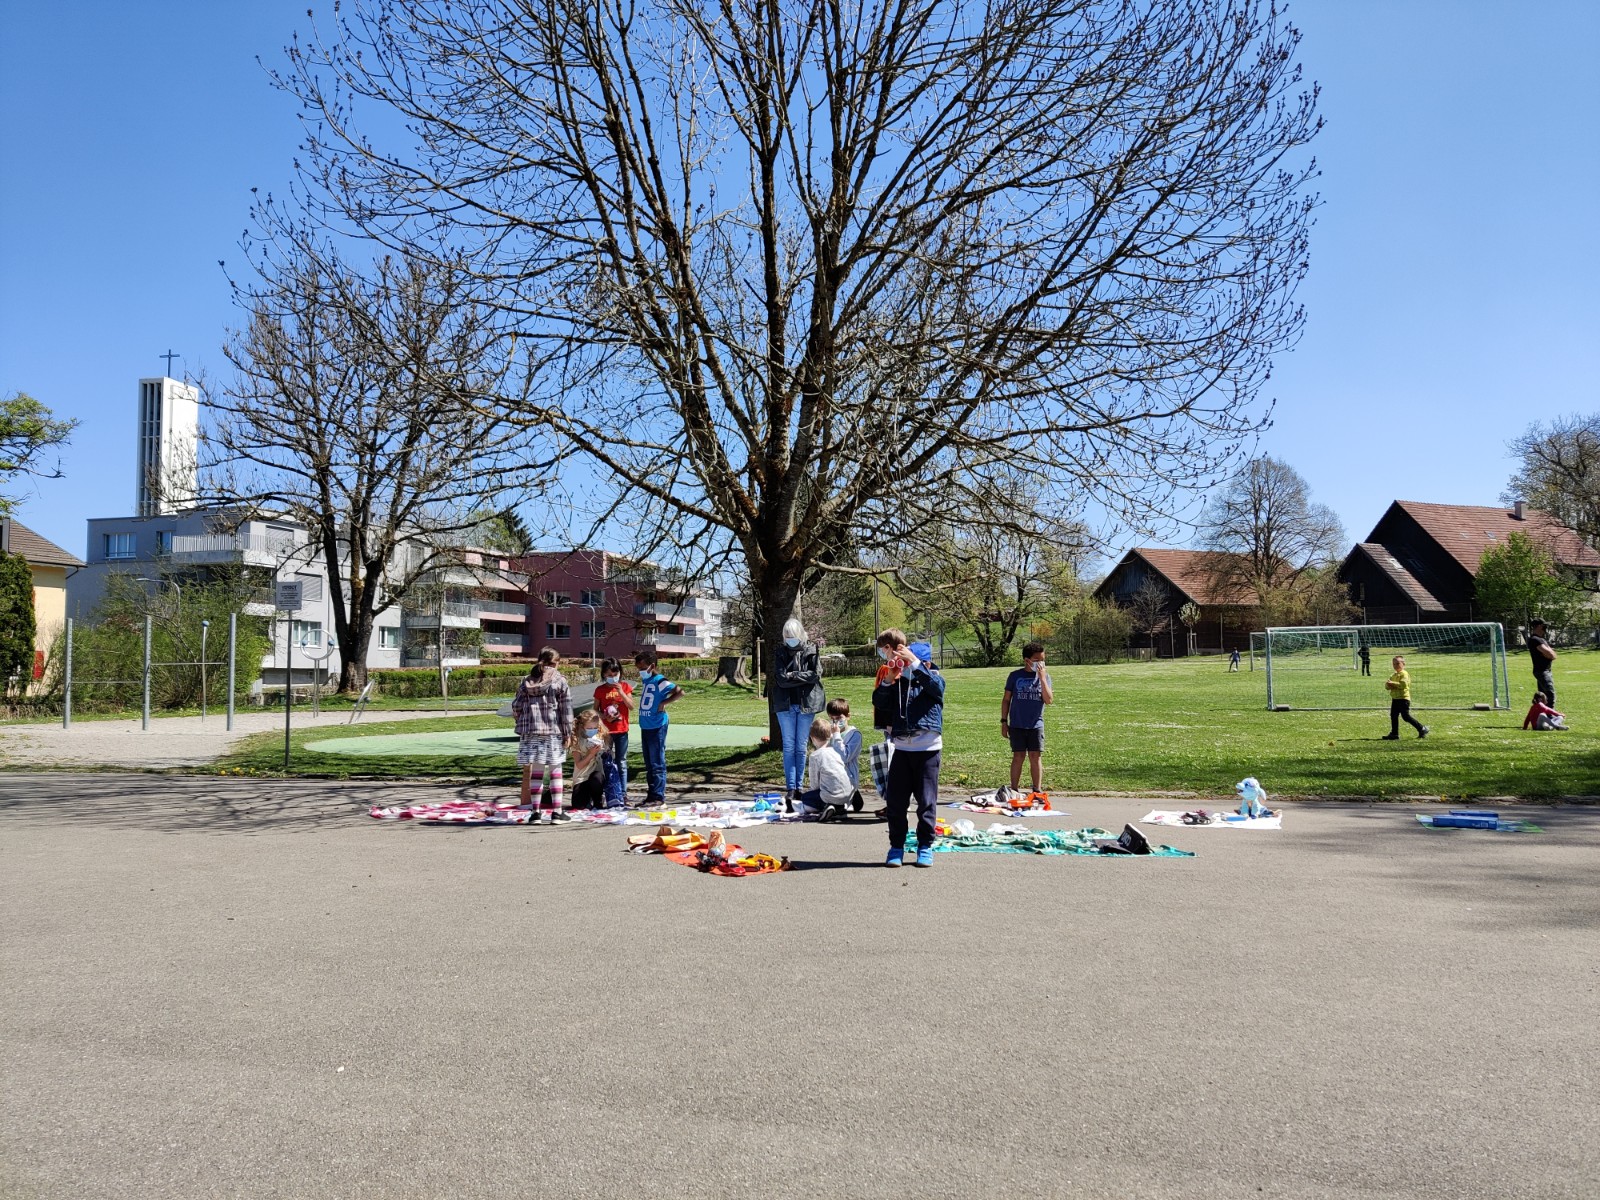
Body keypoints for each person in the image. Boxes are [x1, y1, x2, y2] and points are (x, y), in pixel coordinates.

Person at [872, 628, 945, 868]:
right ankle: (896, 847)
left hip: (928, 750)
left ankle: (925, 846)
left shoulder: (934, 680)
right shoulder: (898, 683)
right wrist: (889, 679)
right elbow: (880, 702)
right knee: (896, 803)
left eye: (909, 662)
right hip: (902, 750)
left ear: (925, 663)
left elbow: (936, 689)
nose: (906, 666)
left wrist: (915, 664)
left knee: (926, 802)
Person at [512, 648, 574, 822]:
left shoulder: (527, 680)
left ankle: (535, 813)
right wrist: (568, 733)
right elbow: (566, 710)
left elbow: (516, 706)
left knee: (537, 771)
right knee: (556, 770)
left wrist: (522, 721)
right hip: (553, 731)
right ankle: (557, 812)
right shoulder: (560, 680)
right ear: (556, 663)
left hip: (531, 732)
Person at [772, 618, 825, 810]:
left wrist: (793, 675)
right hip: (785, 704)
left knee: (801, 747)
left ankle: (799, 787)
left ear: (800, 634)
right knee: (789, 746)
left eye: (792, 635)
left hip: (805, 704)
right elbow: (780, 679)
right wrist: (800, 677)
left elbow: (814, 675)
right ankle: (791, 787)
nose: (789, 639)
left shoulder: (811, 649)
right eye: (787, 636)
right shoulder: (780, 652)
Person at [1000, 642, 1053, 796]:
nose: (1040, 664)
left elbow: (1049, 700)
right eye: (1037, 660)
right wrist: (1004, 722)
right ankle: (1014, 789)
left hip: (1036, 724)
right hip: (1017, 724)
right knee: (1018, 756)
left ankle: (1037, 789)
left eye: (1043, 660)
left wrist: (1042, 679)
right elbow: (1006, 700)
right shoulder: (1015, 676)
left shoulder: (1045, 677)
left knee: (1035, 756)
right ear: (1027, 660)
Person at [634, 649, 682, 807]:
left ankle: (658, 797)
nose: (640, 671)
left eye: (643, 668)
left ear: (652, 666)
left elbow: (680, 692)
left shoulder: (660, 680)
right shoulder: (646, 681)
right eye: (638, 669)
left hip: (657, 725)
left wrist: (663, 703)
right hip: (646, 725)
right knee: (649, 763)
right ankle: (651, 795)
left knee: (657, 763)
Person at [799, 716, 857, 820]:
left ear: (812, 738)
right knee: (827, 794)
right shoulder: (836, 751)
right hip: (847, 795)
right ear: (830, 735)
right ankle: (839, 809)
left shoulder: (815, 756)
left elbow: (815, 784)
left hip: (829, 796)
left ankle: (827, 806)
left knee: (805, 798)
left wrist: (813, 793)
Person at [592, 656, 634, 794]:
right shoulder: (600, 690)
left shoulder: (625, 687)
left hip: (621, 731)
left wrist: (621, 691)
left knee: (621, 762)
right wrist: (605, 716)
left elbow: (631, 706)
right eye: (609, 675)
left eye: (615, 674)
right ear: (604, 674)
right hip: (606, 732)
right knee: (607, 761)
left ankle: (623, 793)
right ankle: (608, 792)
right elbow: (595, 710)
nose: (613, 677)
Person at [569, 706, 612, 807]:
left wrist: (604, 750)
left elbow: (608, 758)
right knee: (578, 806)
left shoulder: (602, 737)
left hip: (597, 775)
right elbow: (579, 765)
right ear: (582, 727)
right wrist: (591, 754)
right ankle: (587, 798)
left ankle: (598, 799)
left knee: (596, 778)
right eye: (589, 728)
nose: (592, 730)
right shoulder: (576, 740)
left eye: (595, 728)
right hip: (582, 777)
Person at [1382, 654, 1428, 740]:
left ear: (1403, 664)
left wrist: (1392, 684)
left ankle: (1422, 728)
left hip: (1403, 699)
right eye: (1394, 664)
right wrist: (1389, 685)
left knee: (1405, 716)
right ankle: (1394, 734)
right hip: (1395, 698)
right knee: (1393, 715)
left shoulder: (1404, 674)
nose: (1395, 665)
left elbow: (1403, 685)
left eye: (1397, 663)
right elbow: (1387, 686)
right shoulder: (1393, 675)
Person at [827, 697, 862, 795]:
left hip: (847, 778)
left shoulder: (854, 734)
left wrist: (836, 735)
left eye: (839, 718)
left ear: (848, 716)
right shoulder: (829, 733)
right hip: (831, 778)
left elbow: (844, 757)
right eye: (832, 718)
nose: (835, 722)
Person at [1526, 618, 1557, 706]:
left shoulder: (1541, 639)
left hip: (1546, 670)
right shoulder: (1535, 639)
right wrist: (1549, 653)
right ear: (1539, 626)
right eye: (1544, 626)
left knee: (1542, 696)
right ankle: (1549, 713)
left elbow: (1553, 655)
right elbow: (1550, 654)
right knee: (1550, 695)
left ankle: (1540, 712)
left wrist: (1549, 653)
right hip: (1542, 671)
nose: (1546, 628)